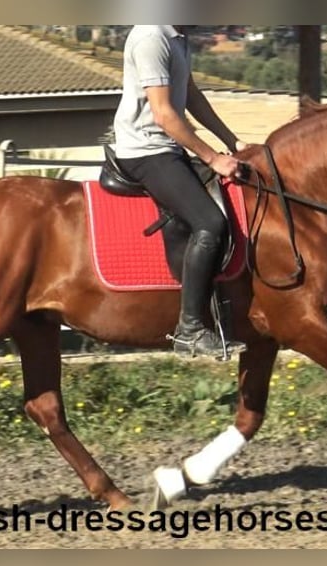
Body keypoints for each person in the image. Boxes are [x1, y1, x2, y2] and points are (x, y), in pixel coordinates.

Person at [113, 25, 248, 357]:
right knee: (210, 224)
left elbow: (191, 96)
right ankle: (190, 329)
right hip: (145, 151)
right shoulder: (151, 37)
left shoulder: (178, 38)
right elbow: (164, 115)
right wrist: (213, 157)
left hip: (168, 148)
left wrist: (233, 142)